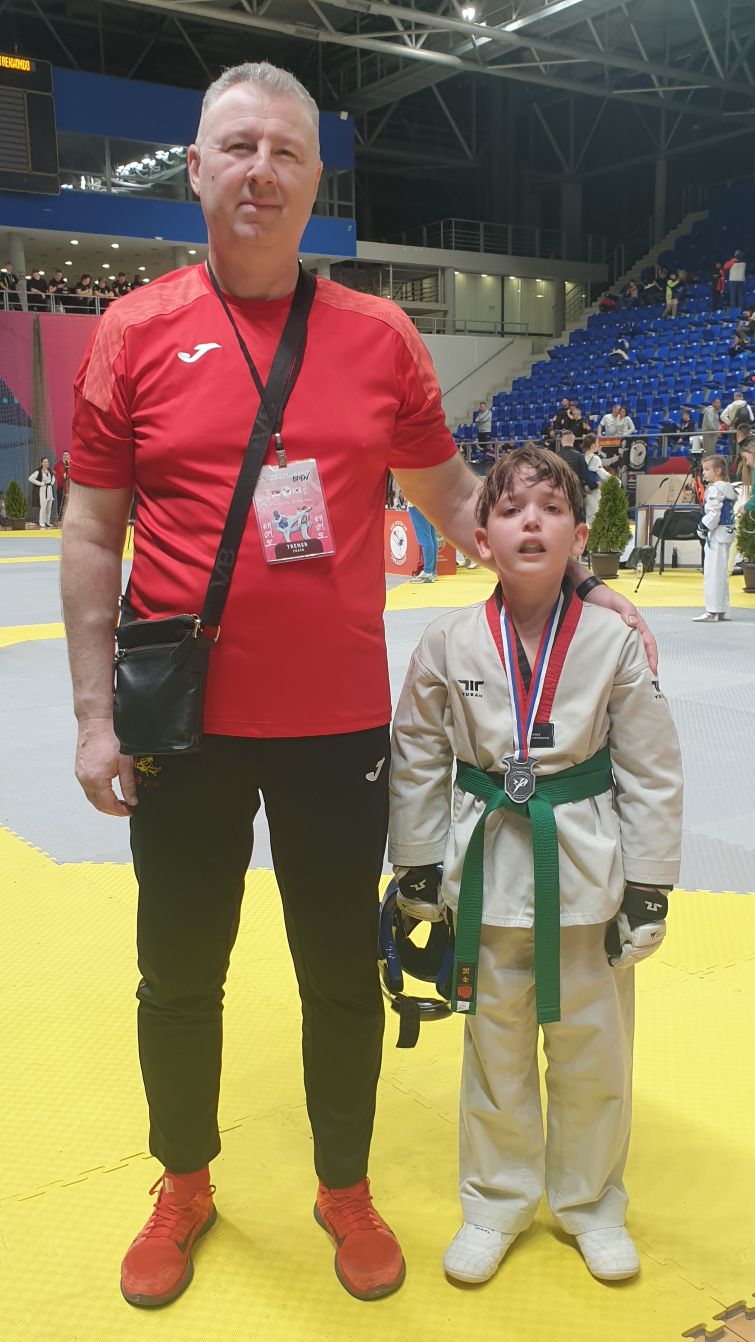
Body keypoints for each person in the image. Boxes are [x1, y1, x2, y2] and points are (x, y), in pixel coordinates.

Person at [61, 59, 655, 1314]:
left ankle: (343, 1185)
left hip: (336, 727)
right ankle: (182, 1181)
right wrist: (93, 716)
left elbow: (458, 500)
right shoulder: (134, 331)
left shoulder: (377, 337)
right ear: (195, 169)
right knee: (178, 968)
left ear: (315, 180)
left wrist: (582, 583)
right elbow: (92, 531)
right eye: (237, 147)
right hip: (181, 724)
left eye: (284, 151)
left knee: (340, 970)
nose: (259, 171)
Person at [388, 446, 682, 1287]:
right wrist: (416, 862)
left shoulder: (613, 640)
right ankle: (495, 1202)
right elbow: (415, 757)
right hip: (485, 873)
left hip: (585, 874)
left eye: (550, 510)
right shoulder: (445, 641)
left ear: (578, 538)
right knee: (495, 1052)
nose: (530, 523)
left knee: (594, 1053)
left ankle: (592, 1205)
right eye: (511, 510)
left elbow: (651, 766)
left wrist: (649, 885)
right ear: (480, 538)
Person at [694, 456, 737, 622]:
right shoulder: (728, 488)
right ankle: (723, 610)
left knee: (713, 573)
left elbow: (713, 514)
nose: (703, 473)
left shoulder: (715, 489)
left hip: (717, 534)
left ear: (718, 471)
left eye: (707, 469)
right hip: (726, 532)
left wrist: (702, 527)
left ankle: (713, 611)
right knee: (721, 573)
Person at [582, 433, 610, 526]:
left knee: (586, 518)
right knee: (595, 519)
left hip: (583, 490)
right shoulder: (595, 458)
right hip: (593, 490)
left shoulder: (581, 457)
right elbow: (602, 474)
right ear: (593, 445)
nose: (598, 445)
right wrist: (616, 481)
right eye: (597, 443)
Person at [407, 503, 438, 583]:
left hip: (417, 505)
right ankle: (432, 571)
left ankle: (428, 572)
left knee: (425, 539)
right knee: (431, 536)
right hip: (429, 504)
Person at [28, 457, 54, 528]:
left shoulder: (49, 471)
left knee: (49, 507)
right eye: (45, 462)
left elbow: (53, 478)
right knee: (43, 507)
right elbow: (30, 478)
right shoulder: (39, 471)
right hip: (43, 490)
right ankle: (41, 522)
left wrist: (51, 483)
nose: (46, 463)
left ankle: (47, 522)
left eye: (47, 462)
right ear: (42, 463)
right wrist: (40, 483)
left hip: (50, 490)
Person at [53, 451, 71, 524]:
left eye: (67, 455)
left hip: (70, 489)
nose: (65, 456)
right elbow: (54, 474)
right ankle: (60, 519)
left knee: (70, 504)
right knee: (60, 503)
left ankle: (69, 519)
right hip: (60, 487)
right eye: (64, 455)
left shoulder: (72, 465)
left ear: (69, 456)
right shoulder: (57, 465)